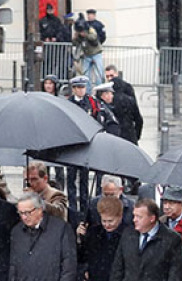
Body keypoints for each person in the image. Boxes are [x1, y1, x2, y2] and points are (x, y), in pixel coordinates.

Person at [67, 76, 99, 212]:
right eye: (78, 88)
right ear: (73, 89)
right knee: (71, 177)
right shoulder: (69, 103)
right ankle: (73, 206)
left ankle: (84, 206)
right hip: (72, 144)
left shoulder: (90, 102)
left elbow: (96, 118)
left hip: (86, 143)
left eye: (83, 87)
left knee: (84, 178)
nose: (81, 91)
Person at [101, 79, 142, 145]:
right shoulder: (130, 100)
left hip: (115, 137)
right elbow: (139, 120)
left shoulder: (108, 102)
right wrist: (136, 136)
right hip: (130, 136)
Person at [71, 14, 104, 91]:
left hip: (96, 53)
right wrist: (75, 38)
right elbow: (75, 43)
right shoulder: (79, 34)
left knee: (98, 73)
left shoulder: (90, 30)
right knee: (86, 75)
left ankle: (99, 90)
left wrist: (85, 35)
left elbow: (94, 37)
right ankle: (88, 91)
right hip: (87, 55)